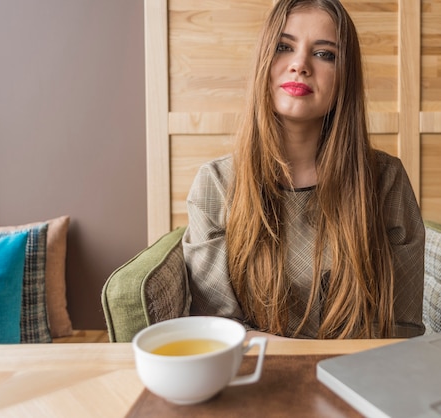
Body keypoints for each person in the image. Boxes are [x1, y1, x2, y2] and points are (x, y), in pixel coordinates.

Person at [182, 0, 425, 339]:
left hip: (359, 378)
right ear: (264, 61)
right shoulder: (216, 184)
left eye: (325, 54)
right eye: (284, 47)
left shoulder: (387, 180)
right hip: (257, 380)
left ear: (345, 77)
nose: (300, 65)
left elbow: (402, 328)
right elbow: (217, 332)